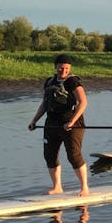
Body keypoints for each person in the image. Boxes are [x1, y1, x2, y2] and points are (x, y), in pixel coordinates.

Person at [28, 53, 89, 195]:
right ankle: (57, 187)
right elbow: (44, 104)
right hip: (52, 123)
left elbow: (83, 102)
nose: (64, 71)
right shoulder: (49, 82)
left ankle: (84, 188)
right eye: (61, 68)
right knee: (49, 155)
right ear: (56, 67)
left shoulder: (73, 81)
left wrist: (72, 122)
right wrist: (34, 120)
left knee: (73, 155)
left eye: (67, 68)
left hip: (72, 123)